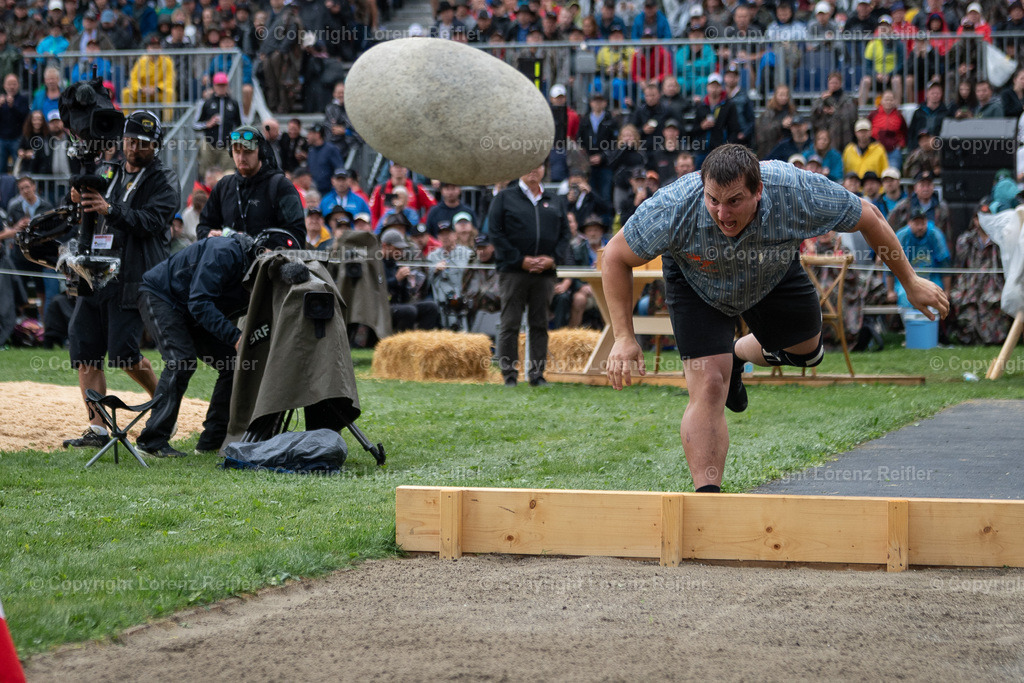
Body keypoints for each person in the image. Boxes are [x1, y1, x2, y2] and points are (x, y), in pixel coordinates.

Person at [601, 144, 948, 492]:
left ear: (759, 190)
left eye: (735, 200)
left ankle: (736, 353)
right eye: (713, 200)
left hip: (771, 273)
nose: (722, 213)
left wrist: (910, 280)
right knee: (708, 385)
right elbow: (615, 255)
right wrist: (624, 337)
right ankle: (708, 504)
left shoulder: (795, 190)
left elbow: (868, 216)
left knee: (808, 353)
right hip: (698, 282)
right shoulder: (674, 205)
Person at [62, 111, 182, 449]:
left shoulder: (163, 179)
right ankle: (99, 430)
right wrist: (76, 200)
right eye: (130, 140)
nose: (135, 148)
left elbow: (152, 221)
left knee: (124, 354)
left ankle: (164, 409)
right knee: (85, 351)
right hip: (95, 272)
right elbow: (85, 210)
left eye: (143, 143)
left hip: (132, 275)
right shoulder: (108, 171)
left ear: (155, 145)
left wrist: (109, 209)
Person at [136, 229, 297, 457]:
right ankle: (151, 441)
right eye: (274, 260)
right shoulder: (223, 251)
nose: (276, 269)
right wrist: (235, 337)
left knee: (234, 364)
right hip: (163, 295)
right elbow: (200, 302)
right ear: (260, 252)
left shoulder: (260, 274)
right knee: (181, 361)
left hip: (192, 307)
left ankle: (212, 440)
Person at [488, 163, 570, 387]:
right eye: (529, 165)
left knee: (540, 323)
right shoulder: (504, 198)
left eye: (539, 165)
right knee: (510, 323)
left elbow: (565, 234)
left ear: (545, 169)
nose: (533, 169)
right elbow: (495, 233)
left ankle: (537, 375)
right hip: (513, 272)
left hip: (545, 273)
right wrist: (519, 260)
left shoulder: (554, 200)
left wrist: (553, 258)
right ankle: (509, 375)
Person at [196, 125, 305, 246]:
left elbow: (297, 234)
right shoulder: (223, 186)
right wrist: (210, 234)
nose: (241, 158)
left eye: (248, 152)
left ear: (261, 153)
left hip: (268, 261)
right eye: (237, 152)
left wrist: (268, 248)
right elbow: (203, 226)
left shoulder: (280, 185)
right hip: (229, 259)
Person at [380, 227, 440, 332]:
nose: (401, 252)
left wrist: (408, 283)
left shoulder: (396, 264)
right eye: (397, 248)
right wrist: (396, 279)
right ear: (385, 246)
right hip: (382, 306)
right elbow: (377, 289)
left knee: (431, 307)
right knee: (409, 310)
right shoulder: (376, 264)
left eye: (402, 249)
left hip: (399, 305)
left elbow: (405, 296)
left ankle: (421, 343)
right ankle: (403, 344)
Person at [193, 71, 242, 176]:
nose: (221, 88)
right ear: (214, 86)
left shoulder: (234, 103)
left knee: (229, 174)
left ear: (227, 86)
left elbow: (240, 126)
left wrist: (233, 138)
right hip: (209, 143)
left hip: (227, 144)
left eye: (223, 85)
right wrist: (207, 124)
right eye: (219, 85)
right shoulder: (206, 103)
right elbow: (195, 125)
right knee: (206, 174)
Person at [427, 222, 474, 329]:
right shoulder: (432, 256)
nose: (445, 237)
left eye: (448, 233)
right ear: (438, 237)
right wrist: (434, 270)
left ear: (455, 235)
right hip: (441, 299)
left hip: (462, 296)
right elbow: (426, 282)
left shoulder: (467, 253)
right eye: (442, 234)